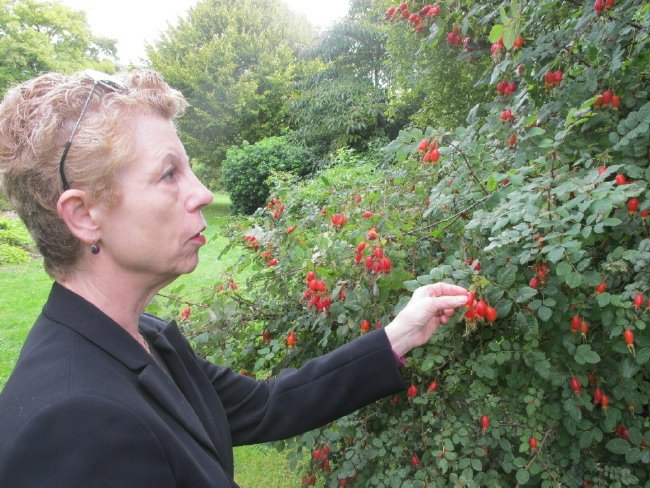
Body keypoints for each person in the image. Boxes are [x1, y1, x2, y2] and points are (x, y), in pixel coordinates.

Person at [0, 69, 468, 487]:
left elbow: (266, 406)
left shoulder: (146, 338)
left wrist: (398, 334)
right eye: (168, 175)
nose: (202, 193)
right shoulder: (75, 426)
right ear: (83, 216)